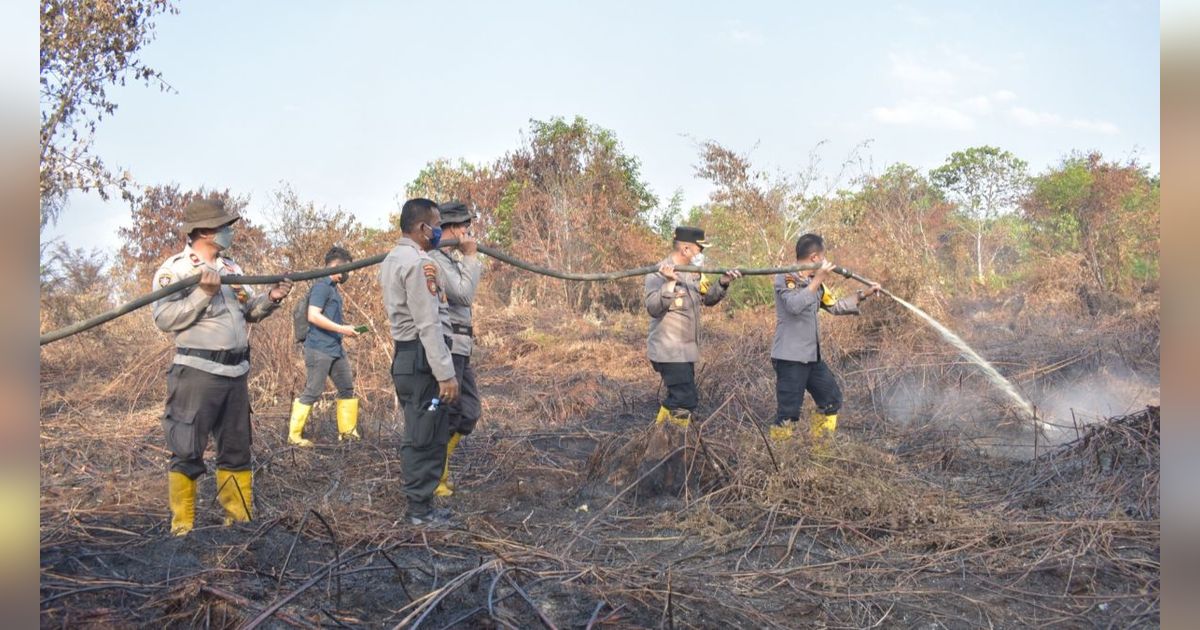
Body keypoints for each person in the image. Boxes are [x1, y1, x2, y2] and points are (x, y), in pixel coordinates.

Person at [152, 199, 294, 536]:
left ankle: (239, 521)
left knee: (236, 448)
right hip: (197, 373)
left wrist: (271, 298)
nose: (230, 231)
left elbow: (249, 312)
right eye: (224, 226)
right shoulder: (176, 270)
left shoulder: (232, 268)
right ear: (204, 231)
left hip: (235, 373)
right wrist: (202, 293)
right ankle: (182, 529)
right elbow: (164, 319)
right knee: (187, 448)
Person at [380, 198, 460, 525]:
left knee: (425, 427)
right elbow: (428, 324)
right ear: (422, 227)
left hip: (408, 356)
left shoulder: (393, 258)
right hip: (421, 360)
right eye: (436, 224)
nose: (439, 230)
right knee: (423, 433)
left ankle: (423, 506)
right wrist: (445, 374)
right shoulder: (418, 264)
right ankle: (419, 512)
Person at [770, 233, 880, 445]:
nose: (825, 262)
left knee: (831, 400)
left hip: (812, 358)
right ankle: (781, 460)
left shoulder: (816, 283)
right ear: (814, 258)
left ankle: (820, 451)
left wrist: (863, 295)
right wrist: (818, 279)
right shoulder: (786, 278)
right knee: (788, 414)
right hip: (790, 358)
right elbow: (794, 306)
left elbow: (835, 306)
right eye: (823, 257)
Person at [644, 226, 742, 427]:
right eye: (700, 249)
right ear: (686, 249)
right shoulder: (658, 272)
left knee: (677, 397)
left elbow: (707, 300)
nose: (701, 254)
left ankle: (660, 433)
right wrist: (670, 283)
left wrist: (723, 283)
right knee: (685, 400)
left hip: (686, 350)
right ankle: (675, 442)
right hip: (668, 350)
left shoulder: (694, 274)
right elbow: (653, 308)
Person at [429, 201, 483, 498]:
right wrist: (471, 256)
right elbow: (462, 294)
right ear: (450, 228)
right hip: (450, 347)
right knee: (445, 414)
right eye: (464, 226)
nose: (467, 232)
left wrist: (468, 258)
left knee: (469, 412)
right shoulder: (435, 259)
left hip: (463, 345)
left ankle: (440, 468)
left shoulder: (451, 259)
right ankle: (437, 476)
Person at [288, 246, 363, 447]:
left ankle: (348, 434)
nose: (347, 273)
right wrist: (342, 329)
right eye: (346, 268)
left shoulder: (333, 289)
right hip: (318, 348)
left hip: (335, 348)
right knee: (313, 390)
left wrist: (347, 329)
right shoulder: (322, 286)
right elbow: (313, 316)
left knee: (346, 388)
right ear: (336, 266)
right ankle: (294, 436)